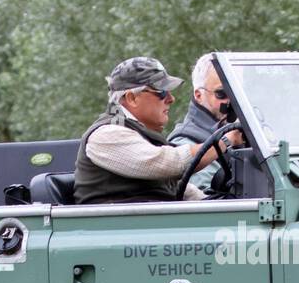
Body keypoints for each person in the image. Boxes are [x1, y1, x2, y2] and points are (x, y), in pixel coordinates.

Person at [73, 56, 227, 204]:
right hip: (118, 228)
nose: (171, 99)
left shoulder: (139, 133)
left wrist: (216, 203)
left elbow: (179, 188)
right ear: (132, 98)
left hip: (149, 225)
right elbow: (169, 164)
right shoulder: (107, 134)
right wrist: (226, 140)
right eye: (161, 92)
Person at [168, 53, 233, 193]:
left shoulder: (248, 132)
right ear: (199, 95)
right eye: (222, 93)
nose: (231, 101)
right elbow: (206, 200)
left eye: (236, 92)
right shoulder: (185, 141)